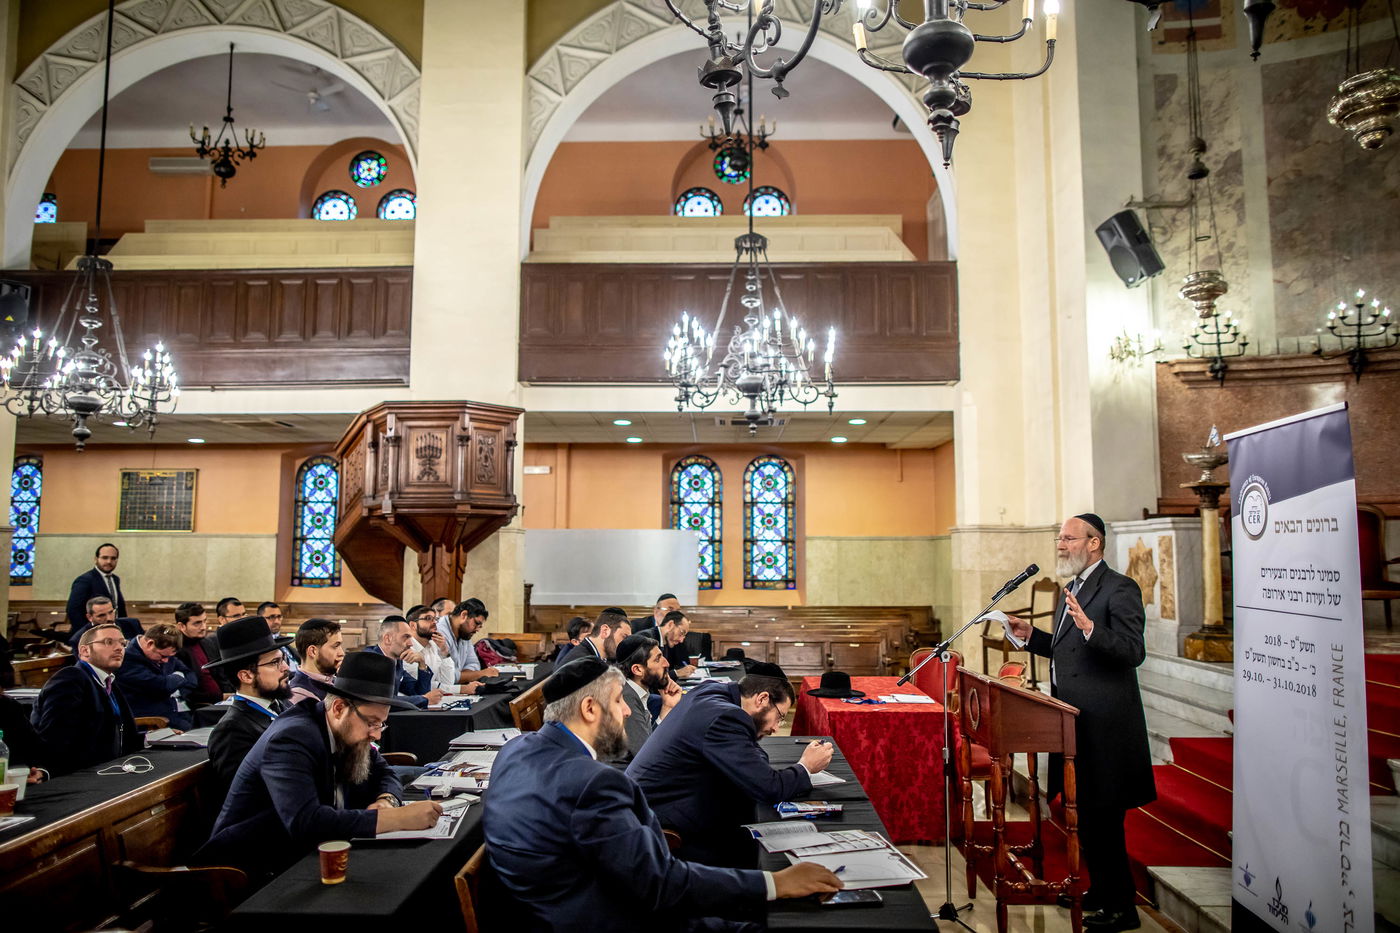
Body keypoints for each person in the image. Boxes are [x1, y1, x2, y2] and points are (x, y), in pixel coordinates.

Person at [484, 656, 842, 932]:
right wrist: (775, 882)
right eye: (618, 701)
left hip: (548, 910)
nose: (627, 711)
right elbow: (659, 884)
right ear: (589, 709)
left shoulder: (514, 750)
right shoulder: (594, 784)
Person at [1004, 512, 1156, 933]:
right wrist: (1029, 635)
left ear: (1094, 543)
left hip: (1106, 726)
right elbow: (1064, 652)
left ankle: (1123, 908)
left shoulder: (1120, 588)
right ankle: (1103, 892)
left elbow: (1131, 651)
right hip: (1073, 723)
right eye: (1059, 538)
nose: (1060, 544)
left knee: (1105, 819)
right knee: (1086, 818)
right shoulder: (1071, 588)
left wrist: (1092, 629)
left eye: (1069, 538)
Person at [195, 651, 443, 879]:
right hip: (243, 872)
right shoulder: (291, 738)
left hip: (303, 857)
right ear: (338, 708)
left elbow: (383, 772)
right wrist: (396, 819)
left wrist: (387, 800)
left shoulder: (347, 729)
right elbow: (306, 822)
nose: (376, 734)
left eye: (381, 724)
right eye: (372, 723)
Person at [627, 663, 833, 868]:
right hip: (664, 823)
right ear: (762, 699)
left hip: (650, 805)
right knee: (755, 843)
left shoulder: (711, 691)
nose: (776, 728)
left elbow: (752, 753)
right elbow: (769, 788)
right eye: (779, 717)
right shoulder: (726, 717)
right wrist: (805, 767)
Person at [30, 622, 142, 773]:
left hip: (109, 768)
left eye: (122, 643)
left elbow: (122, 732)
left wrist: (152, 738)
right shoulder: (71, 678)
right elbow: (56, 738)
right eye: (108, 642)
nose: (119, 648)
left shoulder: (108, 681)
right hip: (79, 775)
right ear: (84, 651)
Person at [204, 617, 294, 798]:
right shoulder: (232, 731)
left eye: (282, 658)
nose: (285, 667)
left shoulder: (283, 706)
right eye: (275, 662)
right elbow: (247, 797)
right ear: (246, 676)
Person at [612, 634, 682, 763]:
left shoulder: (634, 691)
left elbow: (648, 743)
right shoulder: (626, 697)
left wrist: (667, 706)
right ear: (638, 669)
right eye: (658, 659)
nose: (666, 663)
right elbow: (646, 757)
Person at [116, 622, 198, 730]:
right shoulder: (126, 660)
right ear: (150, 644)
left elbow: (191, 677)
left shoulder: (165, 651)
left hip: (180, 714)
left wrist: (175, 687)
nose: (166, 661)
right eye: (163, 656)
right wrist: (178, 677)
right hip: (153, 723)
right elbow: (162, 686)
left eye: (170, 657)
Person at [363, 617, 443, 708]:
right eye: (406, 637)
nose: (411, 644)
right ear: (388, 639)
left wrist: (422, 665)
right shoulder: (370, 659)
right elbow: (382, 700)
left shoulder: (397, 662)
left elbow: (419, 692)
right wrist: (424, 699)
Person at [436, 598, 500, 688]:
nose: (477, 629)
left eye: (480, 626)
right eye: (476, 623)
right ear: (464, 615)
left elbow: (473, 663)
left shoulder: (464, 633)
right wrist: (480, 674)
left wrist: (464, 676)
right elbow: (445, 677)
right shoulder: (439, 632)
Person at [65, 542, 127, 629]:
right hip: (92, 634)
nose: (109, 561)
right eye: (105, 558)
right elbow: (73, 611)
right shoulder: (85, 580)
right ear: (96, 558)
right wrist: (88, 634)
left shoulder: (115, 579)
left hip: (113, 631)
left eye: (113, 558)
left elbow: (118, 607)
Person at [174, 602, 223, 707]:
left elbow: (221, 674)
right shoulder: (176, 651)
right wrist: (221, 697)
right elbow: (188, 692)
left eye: (205, 621)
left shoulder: (207, 642)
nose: (204, 627)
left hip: (222, 701)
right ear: (181, 626)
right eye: (197, 623)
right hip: (200, 707)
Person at [288, 618, 344, 704]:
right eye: (335, 646)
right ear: (313, 651)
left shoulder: (335, 680)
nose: (342, 653)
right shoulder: (299, 695)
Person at [406, 604, 457, 691]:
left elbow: (448, 682)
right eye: (428, 618)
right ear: (413, 625)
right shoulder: (406, 648)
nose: (434, 622)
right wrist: (460, 689)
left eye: (435, 619)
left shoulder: (434, 646)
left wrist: (444, 651)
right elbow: (418, 685)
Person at [634, 610, 696, 679]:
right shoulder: (647, 638)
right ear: (670, 624)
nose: (681, 640)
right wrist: (676, 673)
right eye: (681, 633)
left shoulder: (665, 642)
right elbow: (645, 676)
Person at [65, 595, 141, 649]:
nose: (109, 618)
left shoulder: (132, 624)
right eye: (101, 615)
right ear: (89, 617)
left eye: (111, 612)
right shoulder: (79, 639)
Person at [257, 600, 298, 672]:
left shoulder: (284, 640)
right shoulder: (258, 644)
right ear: (259, 620)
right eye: (271, 617)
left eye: (279, 616)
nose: (276, 621)